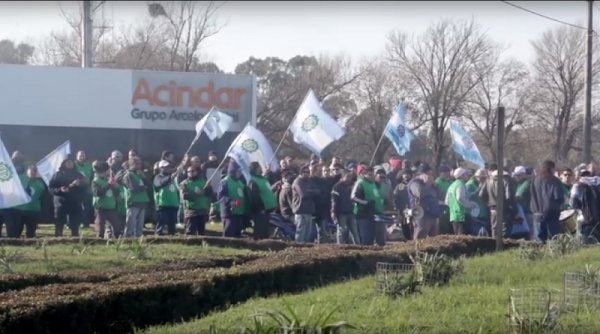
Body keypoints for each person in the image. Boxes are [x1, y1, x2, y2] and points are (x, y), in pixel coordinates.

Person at [49, 156, 87, 237]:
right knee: (59, 223)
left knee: (75, 223)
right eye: (67, 162)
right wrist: (60, 190)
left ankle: (75, 237)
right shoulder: (57, 175)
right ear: (63, 163)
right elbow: (51, 188)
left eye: (71, 162)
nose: (69, 164)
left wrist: (79, 185)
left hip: (75, 203)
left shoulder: (78, 175)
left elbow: (85, 187)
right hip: (60, 203)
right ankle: (58, 238)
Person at [530, 160, 565, 243]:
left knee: (539, 241)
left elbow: (531, 195)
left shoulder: (535, 180)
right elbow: (559, 197)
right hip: (551, 215)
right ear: (551, 168)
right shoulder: (555, 181)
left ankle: (540, 255)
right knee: (553, 240)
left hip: (537, 214)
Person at [8, 165, 46, 238]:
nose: (33, 173)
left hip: (32, 209)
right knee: (16, 230)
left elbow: (40, 196)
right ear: (27, 171)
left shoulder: (40, 183)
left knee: (31, 231)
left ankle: (30, 242)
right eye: (31, 171)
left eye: (35, 171)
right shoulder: (19, 178)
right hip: (18, 209)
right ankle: (15, 243)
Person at [479, 169, 517, 239]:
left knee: (494, 230)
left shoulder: (488, 180)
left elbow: (481, 195)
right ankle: (504, 247)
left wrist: (488, 203)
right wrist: (513, 208)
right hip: (504, 209)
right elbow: (508, 196)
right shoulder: (505, 180)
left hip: (492, 209)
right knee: (504, 231)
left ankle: (495, 247)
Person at [352, 166, 385, 246]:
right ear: (364, 175)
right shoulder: (360, 183)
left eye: (372, 174)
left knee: (371, 238)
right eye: (369, 175)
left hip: (372, 214)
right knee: (366, 239)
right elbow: (354, 197)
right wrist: (366, 203)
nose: (372, 176)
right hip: (363, 214)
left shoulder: (373, 183)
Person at [407, 163, 441, 239]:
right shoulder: (415, 183)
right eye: (428, 174)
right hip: (421, 213)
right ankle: (417, 250)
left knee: (434, 237)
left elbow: (438, 195)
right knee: (420, 234)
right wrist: (427, 183)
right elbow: (420, 193)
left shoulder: (432, 184)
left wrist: (434, 186)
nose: (431, 176)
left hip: (432, 212)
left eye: (432, 174)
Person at [91, 160, 122, 239]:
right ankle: (100, 239)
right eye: (107, 171)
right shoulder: (95, 182)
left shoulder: (108, 179)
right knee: (100, 225)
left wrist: (115, 188)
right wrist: (108, 184)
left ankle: (117, 238)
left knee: (116, 225)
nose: (109, 172)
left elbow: (115, 191)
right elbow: (98, 193)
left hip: (111, 207)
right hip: (101, 208)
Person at [247, 162, 278, 240]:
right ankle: (257, 245)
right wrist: (260, 209)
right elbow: (254, 197)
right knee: (259, 230)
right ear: (254, 169)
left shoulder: (262, 179)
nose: (260, 168)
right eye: (258, 167)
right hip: (260, 211)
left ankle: (263, 244)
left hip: (267, 209)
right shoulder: (253, 181)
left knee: (265, 230)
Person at [218, 160, 248, 238]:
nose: (240, 173)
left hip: (239, 213)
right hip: (229, 213)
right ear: (233, 171)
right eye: (238, 171)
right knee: (229, 234)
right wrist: (230, 201)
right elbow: (221, 196)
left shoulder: (240, 182)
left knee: (237, 235)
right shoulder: (225, 181)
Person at [180, 165, 212, 235]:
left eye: (192, 171)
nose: (190, 173)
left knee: (201, 231)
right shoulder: (184, 183)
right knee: (190, 231)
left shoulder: (204, 181)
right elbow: (184, 196)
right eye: (188, 171)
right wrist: (196, 194)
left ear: (197, 172)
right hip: (191, 211)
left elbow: (209, 193)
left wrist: (206, 189)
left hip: (202, 210)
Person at [445, 168, 478, 235]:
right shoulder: (460, 185)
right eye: (465, 174)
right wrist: (471, 204)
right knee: (463, 238)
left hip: (453, 216)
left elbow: (446, 201)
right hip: (461, 215)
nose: (467, 176)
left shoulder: (452, 185)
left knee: (458, 239)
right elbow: (460, 198)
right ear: (462, 176)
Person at [123, 157, 150, 238]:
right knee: (131, 221)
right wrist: (143, 188)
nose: (139, 165)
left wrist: (144, 177)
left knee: (140, 222)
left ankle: (138, 235)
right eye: (137, 163)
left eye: (140, 163)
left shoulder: (139, 174)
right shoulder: (128, 174)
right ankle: (129, 236)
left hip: (142, 201)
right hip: (133, 201)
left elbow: (149, 185)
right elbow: (132, 188)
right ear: (131, 164)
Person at [291, 164, 318, 243]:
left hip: (309, 210)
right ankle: (298, 248)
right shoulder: (297, 182)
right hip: (300, 210)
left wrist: (310, 191)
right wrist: (312, 191)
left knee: (307, 233)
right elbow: (303, 194)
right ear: (301, 173)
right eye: (306, 172)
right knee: (300, 232)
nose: (308, 173)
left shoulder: (309, 181)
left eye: (308, 172)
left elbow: (318, 191)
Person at [331, 170, 360, 244]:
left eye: (350, 176)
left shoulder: (352, 185)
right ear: (342, 176)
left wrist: (355, 210)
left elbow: (355, 199)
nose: (349, 178)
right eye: (347, 176)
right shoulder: (337, 187)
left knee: (354, 231)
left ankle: (358, 245)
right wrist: (333, 211)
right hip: (341, 213)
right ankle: (340, 246)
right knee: (341, 231)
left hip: (351, 212)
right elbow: (334, 200)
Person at [153, 160, 180, 236]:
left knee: (172, 224)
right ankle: (158, 235)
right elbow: (160, 183)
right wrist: (170, 177)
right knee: (161, 222)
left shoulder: (173, 178)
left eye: (169, 167)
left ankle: (172, 236)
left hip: (173, 204)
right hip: (163, 204)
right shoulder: (158, 177)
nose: (168, 168)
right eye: (166, 167)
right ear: (161, 168)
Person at [465, 169, 490, 236]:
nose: (483, 179)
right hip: (475, 213)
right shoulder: (469, 185)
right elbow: (468, 197)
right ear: (476, 177)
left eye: (484, 178)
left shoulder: (484, 183)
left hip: (484, 212)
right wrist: (478, 189)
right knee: (477, 232)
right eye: (482, 178)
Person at [514, 166, 534, 240]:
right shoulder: (516, 184)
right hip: (519, 212)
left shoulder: (527, 182)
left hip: (527, 212)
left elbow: (519, 195)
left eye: (519, 175)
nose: (517, 177)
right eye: (516, 175)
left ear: (524, 174)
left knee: (529, 231)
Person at [75, 150, 94, 229]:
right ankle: (73, 223)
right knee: (75, 206)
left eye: (83, 155)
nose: (81, 157)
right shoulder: (74, 165)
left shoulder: (89, 166)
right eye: (80, 156)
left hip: (86, 189)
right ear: (77, 157)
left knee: (87, 206)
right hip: (76, 189)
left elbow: (92, 177)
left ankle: (86, 223)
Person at [393, 169, 413, 240]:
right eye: (405, 174)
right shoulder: (399, 186)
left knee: (412, 225)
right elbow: (395, 198)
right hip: (404, 210)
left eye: (408, 174)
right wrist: (397, 209)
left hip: (413, 209)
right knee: (406, 225)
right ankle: (407, 239)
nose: (406, 176)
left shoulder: (413, 184)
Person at [435, 164, 453, 235]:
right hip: (442, 209)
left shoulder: (451, 181)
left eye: (448, 172)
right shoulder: (437, 182)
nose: (447, 174)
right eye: (445, 172)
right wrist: (443, 202)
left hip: (451, 209)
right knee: (444, 229)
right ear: (440, 173)